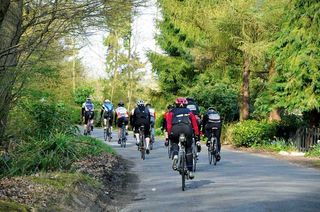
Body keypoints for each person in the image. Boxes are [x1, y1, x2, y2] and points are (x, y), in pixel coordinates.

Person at [166, 97, 200, 179]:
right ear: (186, 104)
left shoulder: (171, 112)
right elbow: (195, 124)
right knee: (188, 148)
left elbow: (169, 124)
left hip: (175, 129)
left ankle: (175, 155)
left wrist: (169, 134)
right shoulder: (189, 111)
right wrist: (196, 134)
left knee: (174, 142)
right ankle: (190, 171)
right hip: (187, 129)